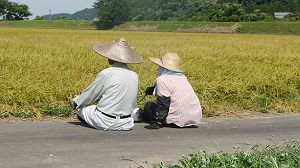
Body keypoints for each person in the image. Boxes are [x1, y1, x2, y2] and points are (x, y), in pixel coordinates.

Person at [68, 38, 143, 131]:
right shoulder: (134, 75)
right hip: (126, 122)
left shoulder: (107, 73)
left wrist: (76, 101)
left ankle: (78, 105)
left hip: (104, 121)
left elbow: (91, 95)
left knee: (81, 107)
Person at [138, 52, 202, 129]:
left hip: (176, 120)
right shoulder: (183, 77)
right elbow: (174, 89)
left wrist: (158, 122)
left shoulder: (162, 79)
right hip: (193, 117)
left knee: (148, 105)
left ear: (164, 68)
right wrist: (154, 88)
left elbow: (164, 102)